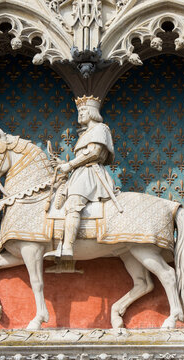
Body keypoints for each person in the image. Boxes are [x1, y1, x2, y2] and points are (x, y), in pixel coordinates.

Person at [44, 95, 116, 259]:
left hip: (91, 174)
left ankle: (67, 247)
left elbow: (94, 152)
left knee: (74, 202)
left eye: (83, 110)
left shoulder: (101, 128)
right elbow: (84, 156)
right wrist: (63, 163)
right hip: (80, 173)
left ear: (92, 111)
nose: (80, 113)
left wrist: (69, 165)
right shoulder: (87, 132)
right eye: (79, 110)